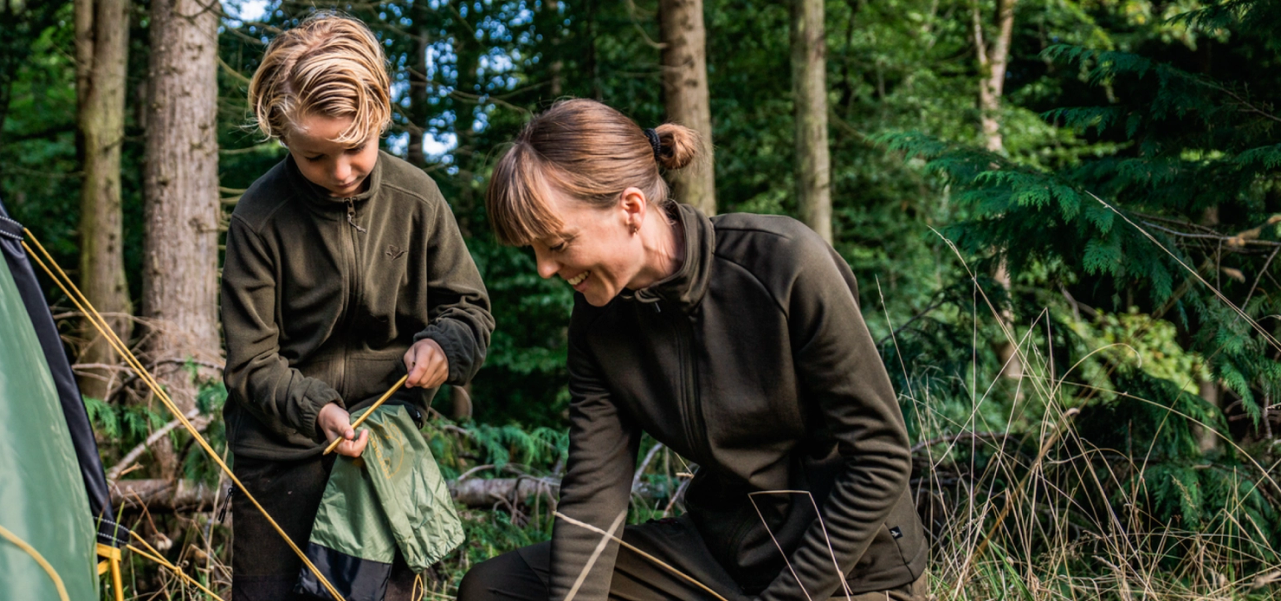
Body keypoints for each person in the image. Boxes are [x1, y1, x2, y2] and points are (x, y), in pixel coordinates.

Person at [456, 99, 927, 601]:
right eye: (534, 251)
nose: (545, 269)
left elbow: (880, 458)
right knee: (495, 589)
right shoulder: (597, 323)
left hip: (848, 567)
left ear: (631, 209)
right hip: (719, 556)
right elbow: (595, 493)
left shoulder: (784, 264)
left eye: (558, 243)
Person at [222, 13, 494, 601]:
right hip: (279, 460)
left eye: (354, 149)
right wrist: (317, 409)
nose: (339, 173)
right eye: (314, 157)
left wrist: (443, 347)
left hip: (385, 456)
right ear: (281, 131)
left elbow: (470, 311)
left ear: (380, 118)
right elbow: (251, 363)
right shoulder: (259, 216)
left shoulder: (417, 199)